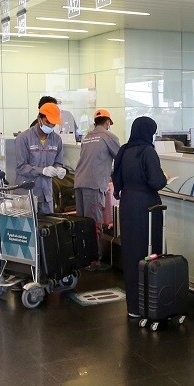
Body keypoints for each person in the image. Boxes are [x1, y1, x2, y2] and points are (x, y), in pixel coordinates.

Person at [112, 116, 167, 318]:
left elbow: (116, 177)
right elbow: (156, 181)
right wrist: (165, 178)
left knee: (131, 254)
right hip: (147, 206)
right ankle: (150, 304)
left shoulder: (124, 150)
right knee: (149, 252)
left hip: (127, 204)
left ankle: (134, 307)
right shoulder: (147, 151)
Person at [74, 109, 120, 270]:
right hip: (93, 185)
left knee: (82, 224)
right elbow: (121, 158)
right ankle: (93, 261)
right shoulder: (109, 136)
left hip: (79, 182)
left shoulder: (87, 137)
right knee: (94, 224)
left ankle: (82, 258)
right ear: (108, 122)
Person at [16, 102, 67, 214]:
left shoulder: (57, 140)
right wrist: (42, 170)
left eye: (53, 124)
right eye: (48, 122)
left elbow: (58, 162)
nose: (50, 126)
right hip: (27, 195)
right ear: (39, 118)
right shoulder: (23, 138)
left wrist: (58, 169)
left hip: (46, 195)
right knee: (28, 224)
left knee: (48, 224)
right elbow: (21, 167)